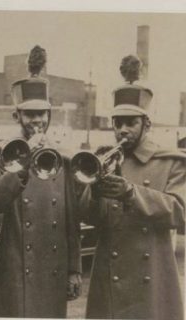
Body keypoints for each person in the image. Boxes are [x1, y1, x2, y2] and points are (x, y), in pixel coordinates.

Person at [79, 55, 185, 320]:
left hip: (151, 276)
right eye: (118, 123)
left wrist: (131, 193)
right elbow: (91, 218)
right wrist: (93, 191)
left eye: (131, 122)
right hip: (109, 273)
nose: (122, 130)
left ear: (146, 124)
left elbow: (179, 212)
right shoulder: (105, 158)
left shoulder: (170, 161)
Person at [0, 46, 82, 318]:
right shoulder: (1, 153)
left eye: (43, 113)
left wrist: (74, 269)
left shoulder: (62, 156)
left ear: (50, 115)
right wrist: (24, 158)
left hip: (53, 266)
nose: (37, 121)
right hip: (16, 267)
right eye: (30, 114)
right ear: (17, 116)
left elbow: (70, 218)